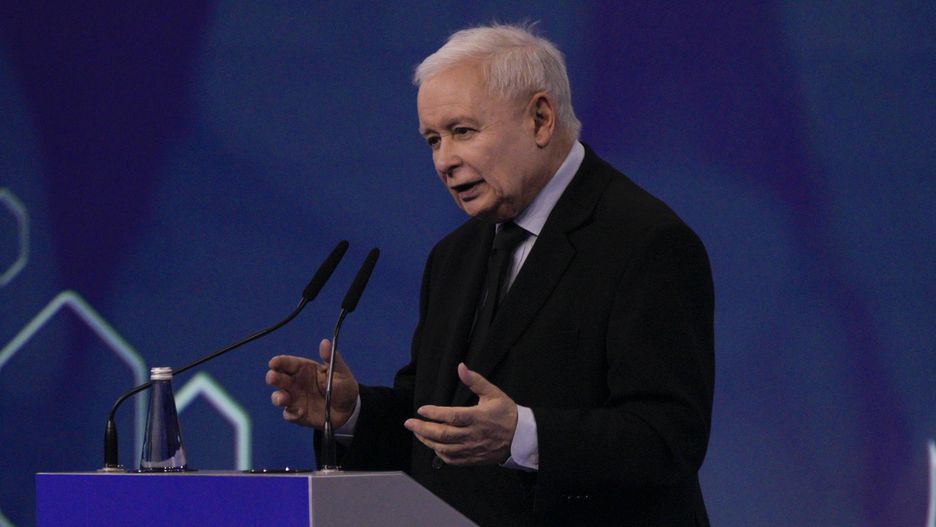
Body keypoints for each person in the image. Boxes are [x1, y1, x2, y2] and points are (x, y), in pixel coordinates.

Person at [266, 23, 714, 526]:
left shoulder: (644, 241)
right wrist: (353, 414)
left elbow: (669, 436)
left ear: (541, 119)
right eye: (432, 140)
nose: (444, 161)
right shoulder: (454, 255)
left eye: (462, 132)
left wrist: (521, 436)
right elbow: (436, 425)